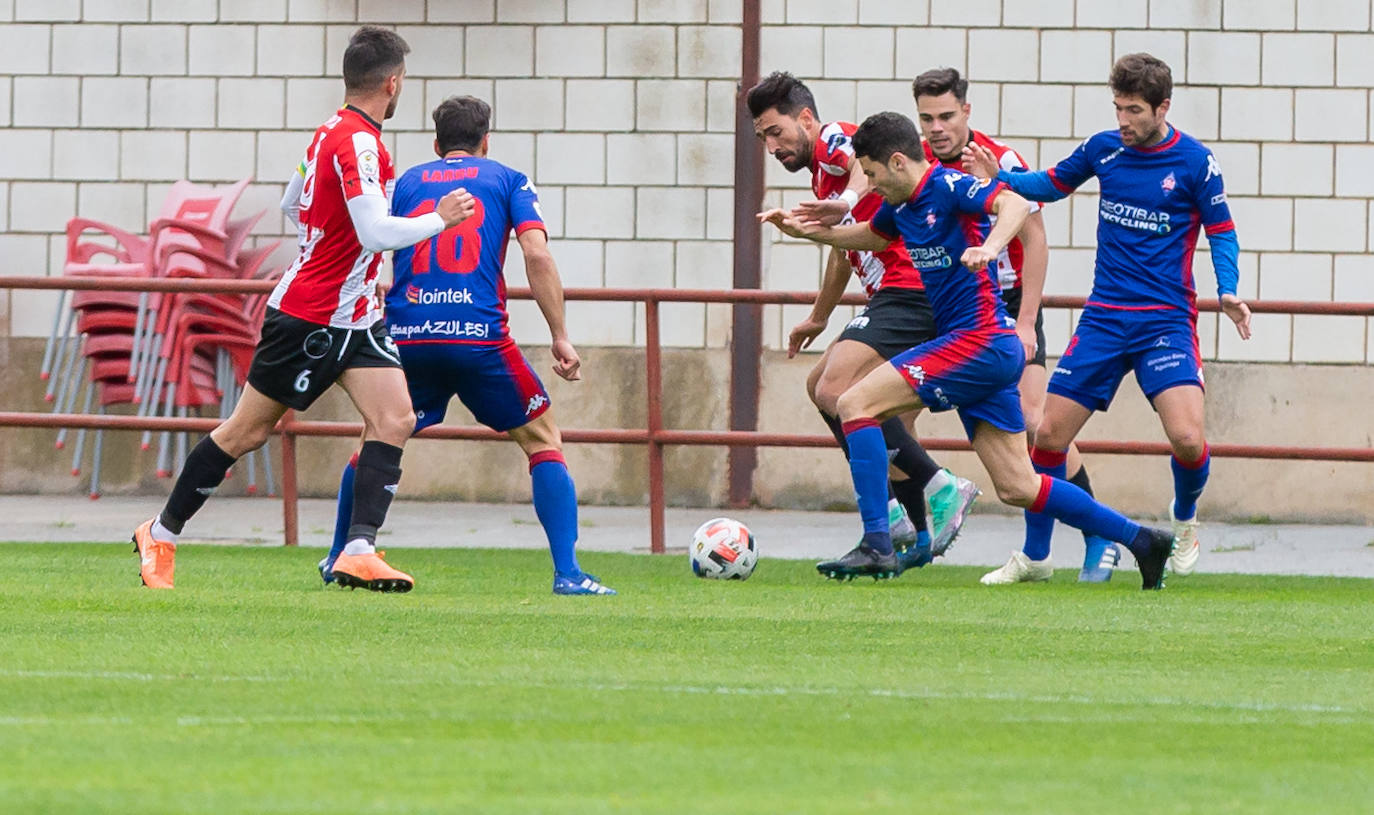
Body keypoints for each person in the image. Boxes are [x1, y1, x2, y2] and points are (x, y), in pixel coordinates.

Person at [759, 111, 1176, 590]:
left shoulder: (949, 187)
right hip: (981, 350)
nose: (869, 184)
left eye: (872, 174)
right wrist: (806, 232)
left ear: (897, 163)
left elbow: (1015, 206)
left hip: (976, 343)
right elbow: (873, 235)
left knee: (853, 402)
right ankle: (1143, 540)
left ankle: (877, 539)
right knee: (1018, 485)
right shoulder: (901, 204)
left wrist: (990, 246)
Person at [131, 27, 475, 591]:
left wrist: (328, 246)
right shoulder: (361, 143)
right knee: (246, 432)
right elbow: (374, 231)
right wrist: (441, 217)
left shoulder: (326, 134)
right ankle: (160, 533)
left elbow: (296, 202)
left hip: (357, 317)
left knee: (395, 418)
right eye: (403, 81)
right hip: (311, 316)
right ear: (392, 83)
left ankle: (358, 549)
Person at [962, 53, 1251, 584]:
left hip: (1164, 322)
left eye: (1135, 110)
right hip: (1104, 319)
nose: (1124, 120)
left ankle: (1184, 519)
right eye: (1118, 107)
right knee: (1047, 436)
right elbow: (1049, 184)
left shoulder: (1195, 163)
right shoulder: (1104, 148)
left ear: (1163, 107)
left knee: (1188, 439)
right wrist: (1000, 176)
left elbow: (1223, 231)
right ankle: (1036, 556)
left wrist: (1228, 290)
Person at [316, 96, 615, 596]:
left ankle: (337, 555)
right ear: (486, 141)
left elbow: (371, 239)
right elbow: (536, 256)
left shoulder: (407, 181)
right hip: (479, 339)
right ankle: (568, 573)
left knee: (376, 437)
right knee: (542, 440)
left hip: (408, 335)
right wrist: (559, 334)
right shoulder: (508, 179)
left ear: (436, 145)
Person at [746, 71, 980, 573]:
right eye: (762, 137)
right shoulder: (819, 176)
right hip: (891, 295)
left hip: (911, 288)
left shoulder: (833, 142)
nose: (771, 146)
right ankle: (899, 521)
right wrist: (818, 315)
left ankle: (936, 491)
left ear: (804, 119)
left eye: (775, 132)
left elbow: (852, 158)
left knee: (837, 389)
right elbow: (843, 252)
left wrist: (846, 200)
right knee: (824, 387)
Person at [912, 67, 1120, 583]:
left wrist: (1027, 322)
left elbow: (1036, 241)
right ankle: (906, 530)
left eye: (945, 115)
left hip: (1005, 301)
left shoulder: (999, 159)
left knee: (1035, 422)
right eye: (927, 118)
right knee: (885, 404)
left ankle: (1100, 536)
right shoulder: (914, 162)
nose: (937, 127)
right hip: (951, 306)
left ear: (966, 111)